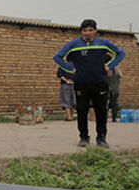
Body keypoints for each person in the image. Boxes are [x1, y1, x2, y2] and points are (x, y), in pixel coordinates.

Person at [53, 19, 124, 148]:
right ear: (81, 31)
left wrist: (109, 66)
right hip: (81, 83)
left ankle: (101, 138)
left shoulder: (103, 44)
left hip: (100, 82)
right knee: (81, 111)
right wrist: (70, 69)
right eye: (85, 30)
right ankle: (84, 137)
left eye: (90, 30)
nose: (87, 33)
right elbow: (57, 57)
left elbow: (120, 53)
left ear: (95, 31)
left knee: (101, 111)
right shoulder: (74, 44)